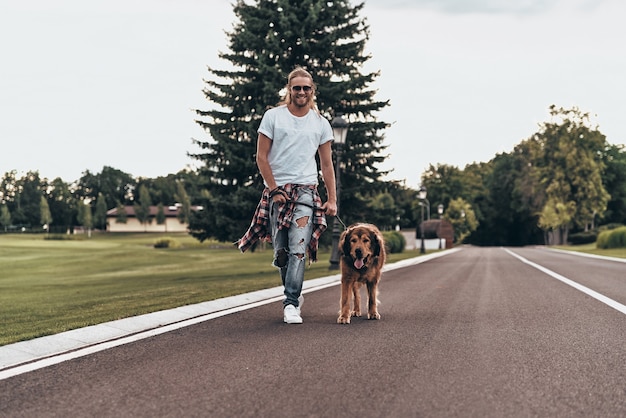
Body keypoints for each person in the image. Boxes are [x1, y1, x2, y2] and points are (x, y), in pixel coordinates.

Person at [238, 66, 338, 324]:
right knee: (281, 252)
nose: (301, 92)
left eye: (306, 88)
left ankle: (291, 302)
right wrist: (274, 189)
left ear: (312, 90)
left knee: (298, 249)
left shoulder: (321, 123)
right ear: (289, 90)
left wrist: (332, 199)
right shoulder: (273, 117)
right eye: (297, 88)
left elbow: (326, 165)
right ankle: (292, 293)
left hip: (306, 192)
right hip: (278, 192)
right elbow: (261, 157)